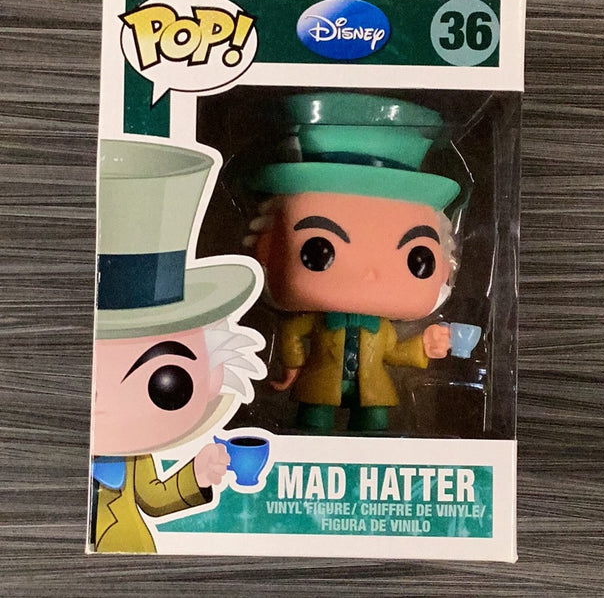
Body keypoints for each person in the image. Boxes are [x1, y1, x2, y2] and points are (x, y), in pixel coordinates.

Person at [248, 93, 468, 432]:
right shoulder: (316, 320)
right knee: (313, 424)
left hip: (375, 390)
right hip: (319, 385)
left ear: (443, 265)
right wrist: (292, 366)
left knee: (375, 426)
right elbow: (291, 333)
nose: (369, 273)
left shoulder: (383, 331)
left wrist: (423, 345)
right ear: (267, 248)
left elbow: (394, 353)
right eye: (319, 251)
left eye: (418, 260)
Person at [90, 140, 265, 552]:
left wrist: (197, 474)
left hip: (128, 557)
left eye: (167, 385)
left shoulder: (132, 455)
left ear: (212, 376)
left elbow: (154, 499)